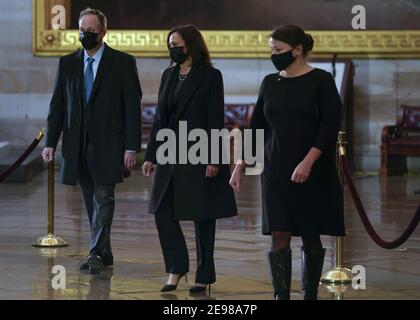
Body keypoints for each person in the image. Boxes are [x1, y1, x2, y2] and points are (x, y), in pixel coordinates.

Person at [230, 25, 345, 300]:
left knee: (310, 234)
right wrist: (240, 164)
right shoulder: (270, 82)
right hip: (275, 170)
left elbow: (330, 126)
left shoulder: (321, 80)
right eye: (271, 49)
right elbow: (256, 126)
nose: (273, 55)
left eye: (278, 50)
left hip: (311, 169)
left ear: (297, 50)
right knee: (278, 233)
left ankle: (310, 293)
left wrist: (308, 161)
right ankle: (280, 294)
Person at [42, 8, 142, 274]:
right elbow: (58, 107)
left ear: (103, 32)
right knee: (91, 200)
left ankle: (96, 252)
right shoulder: (68, 63)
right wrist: (50, 142)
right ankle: (105, 251)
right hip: (77, 146)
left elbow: (132, 108)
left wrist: (132, 146)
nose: (85, 35)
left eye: (90, 31)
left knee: (104, 197)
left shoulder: (122, 62)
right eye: (81, 30)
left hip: (110, 145)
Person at [142, 25, 237, 294]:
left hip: (199, 151)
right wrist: (151, 154)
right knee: (161, 211)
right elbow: (160, 119)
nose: (173, 49)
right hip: (170, 151)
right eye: (170, 44)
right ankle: (176, 267)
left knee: (202, 216)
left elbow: (215, 118)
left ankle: (203, 275)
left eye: (178, 44)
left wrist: (214, 158)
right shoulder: (168, 74)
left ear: (191, 45)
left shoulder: (210, 76)